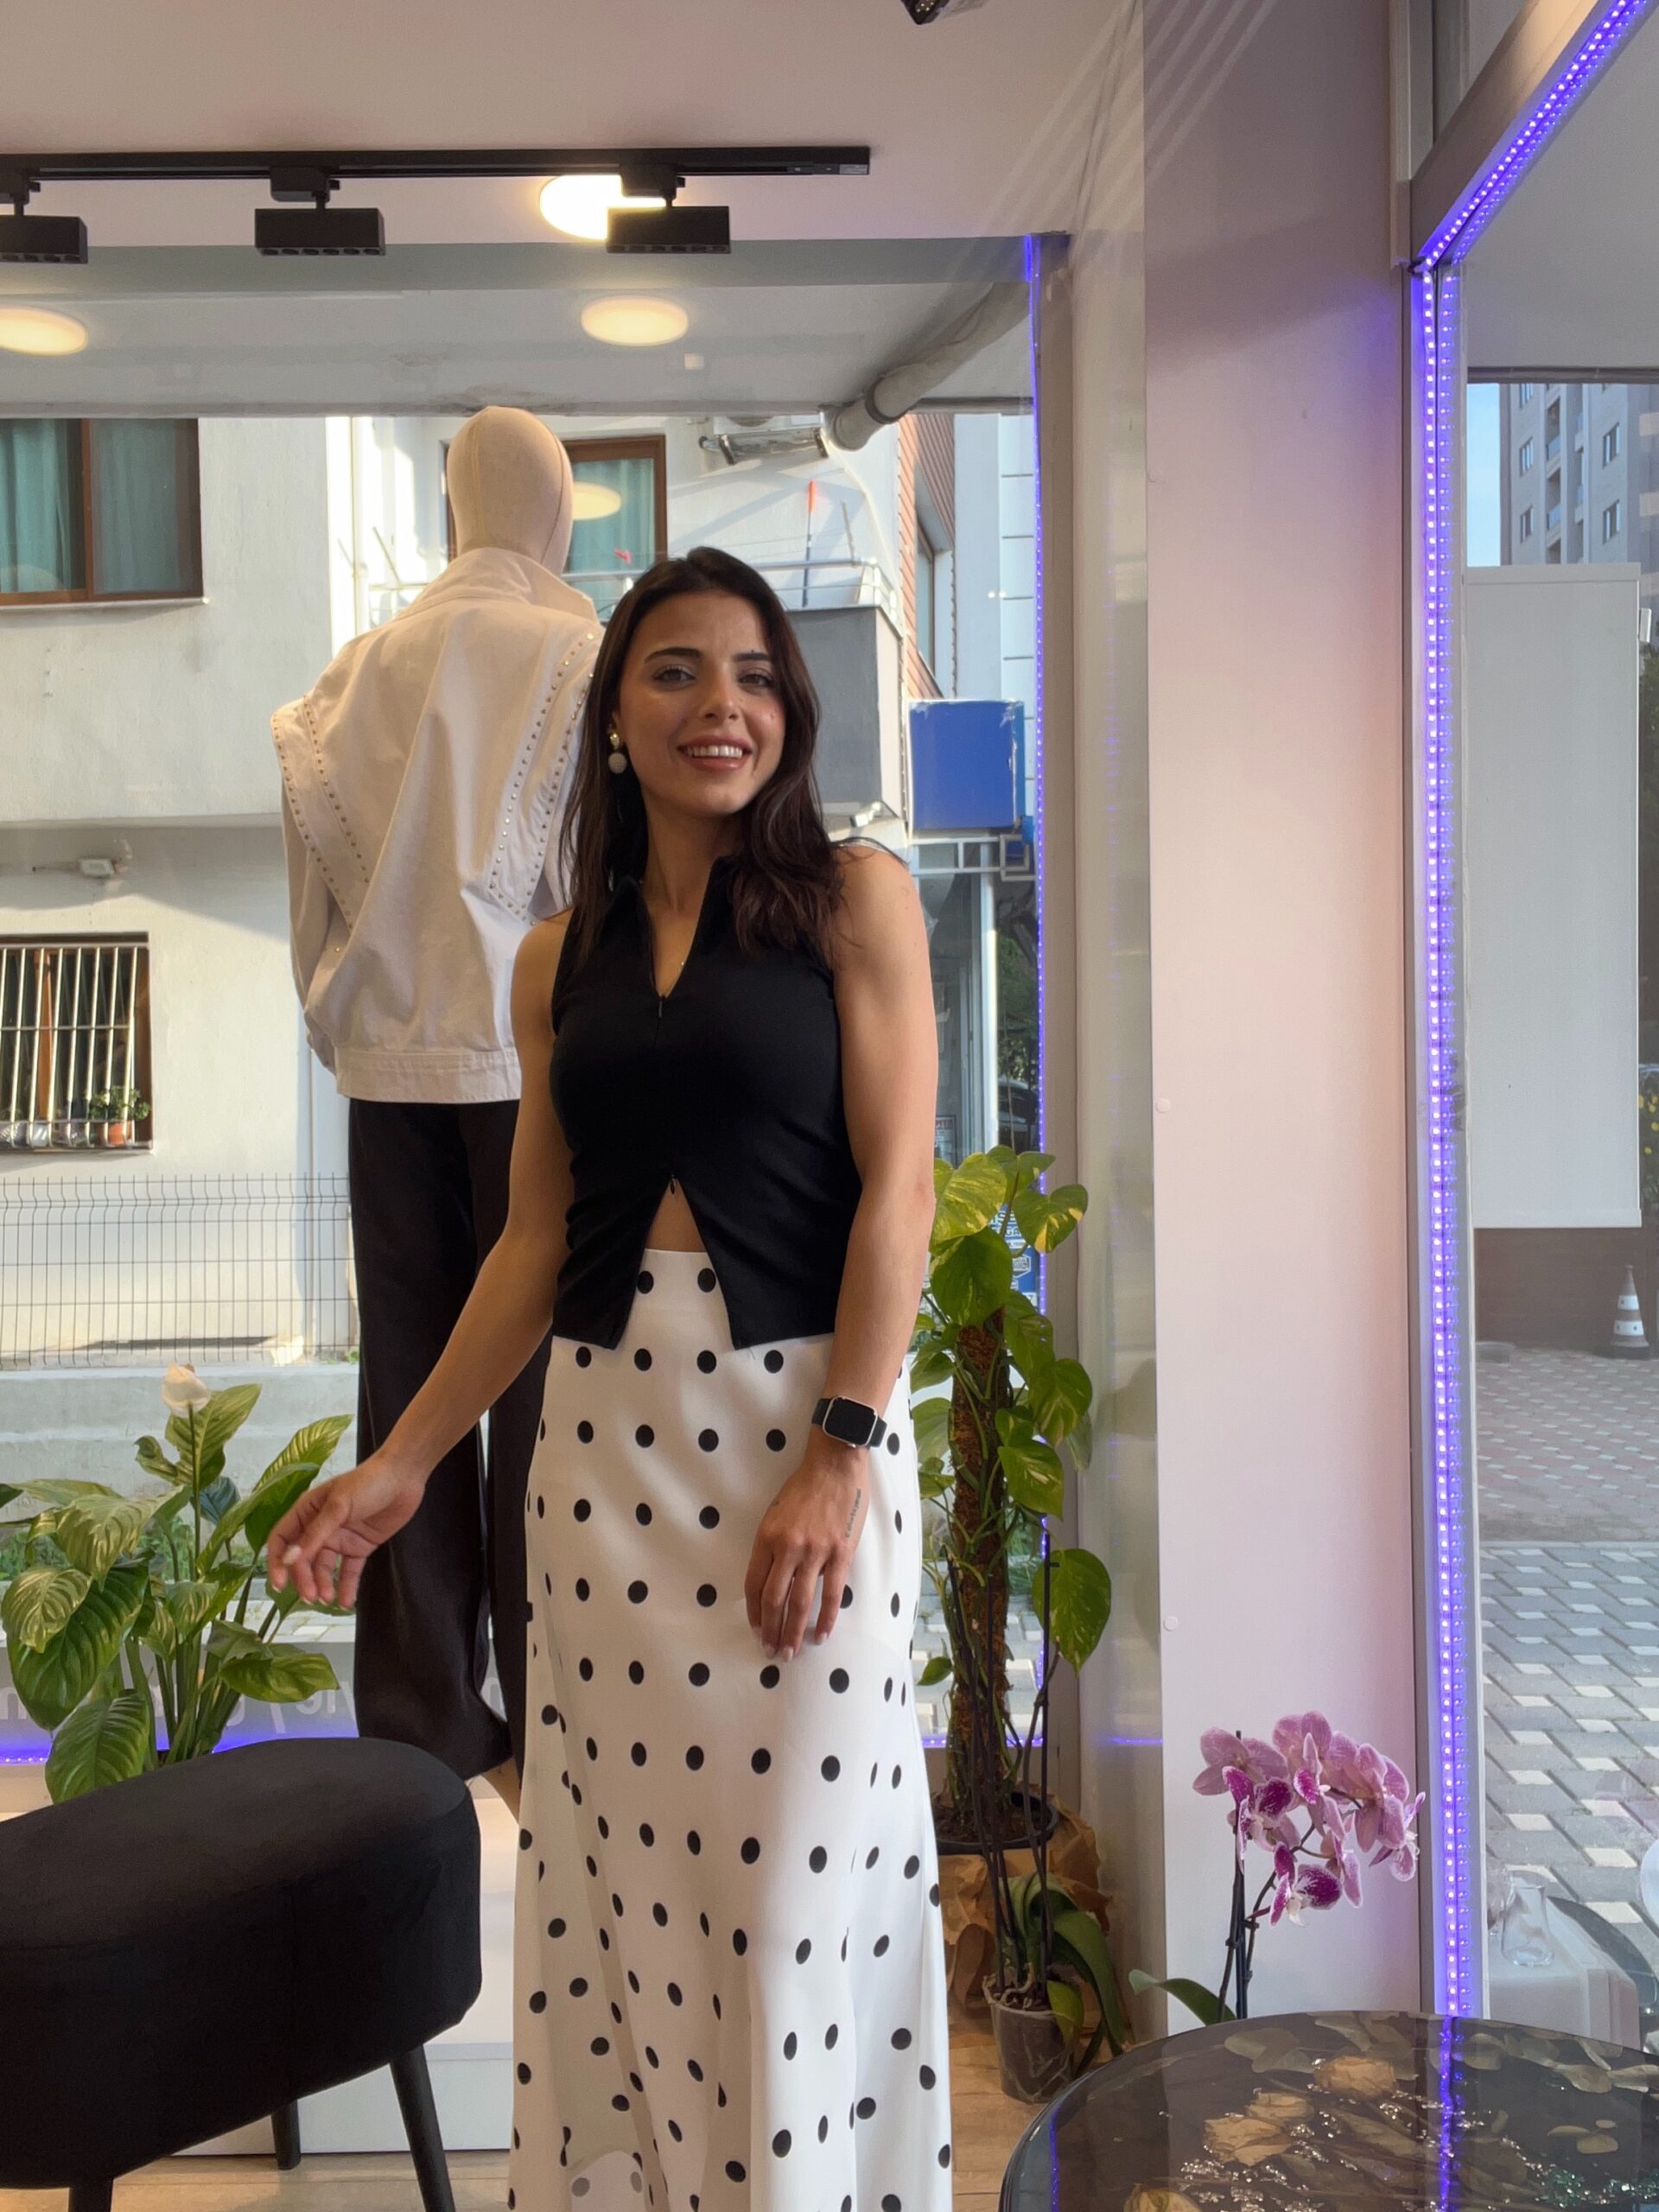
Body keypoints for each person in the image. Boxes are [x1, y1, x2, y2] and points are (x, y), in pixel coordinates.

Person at [269, 545, 952, 2212]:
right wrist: (405, 1464)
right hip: (603, 1468)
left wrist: (843, 1455)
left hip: (802, 1438)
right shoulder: (551, 958)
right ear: (615, 716)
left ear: (790, 711)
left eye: (756, 675)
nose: (724, 705)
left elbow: (902, 1194)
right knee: (624, 1903)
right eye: (678, 670)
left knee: (797, 1903)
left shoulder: (854, 899)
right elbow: (531, 1248)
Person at [271, 409, 600, 1814]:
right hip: (538, 1061)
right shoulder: (579, 657)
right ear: (557, 516)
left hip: (385, 1071)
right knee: (540, 1386)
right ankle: (554, 1697)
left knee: (407, 1379)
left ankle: (421, 1726)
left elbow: (314, 913)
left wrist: (353, 1034)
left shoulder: (343, 682)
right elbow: (591, 883)